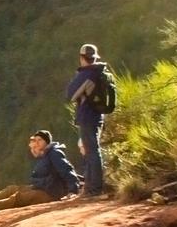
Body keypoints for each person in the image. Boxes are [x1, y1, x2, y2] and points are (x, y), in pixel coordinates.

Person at [63, 43, 116, 197]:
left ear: (81, 58)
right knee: (94, 150)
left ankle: (95, 190)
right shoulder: (103, 73)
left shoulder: (86, 75)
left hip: (87, 117)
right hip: (99, 116)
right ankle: (91, 188)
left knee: (92, 152)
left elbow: (70, 95)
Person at [28, 129, 82, 199]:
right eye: (36, 140)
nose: (37, 143)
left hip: (51, 192)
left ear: (46, 141)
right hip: (42, 188)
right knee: (12, 189)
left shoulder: (54, 153)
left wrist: (73, 190)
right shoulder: (44, 156)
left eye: (40, 140)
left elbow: (67, 171)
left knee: (18, 198)